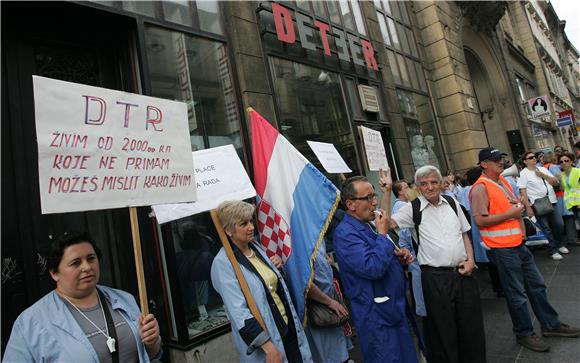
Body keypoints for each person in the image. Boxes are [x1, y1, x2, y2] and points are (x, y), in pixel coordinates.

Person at [470, 146, 580, 352]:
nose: (501, 162)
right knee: (516, 294)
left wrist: (520, 226)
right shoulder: (480, 188)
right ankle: (524, 333)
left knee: (536, 286)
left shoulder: (501, 181)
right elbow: (480, 221)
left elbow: (514, 209)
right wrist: (512, 215)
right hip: (503, 249)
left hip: (517, 245)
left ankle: (551, 325)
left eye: (501, 158)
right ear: (484, 164)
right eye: (496, 160)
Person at [4, 232, 162, 362]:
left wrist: (153, 342)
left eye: (91, 258)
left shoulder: (124, 300)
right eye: (75, 263)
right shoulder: (30, 323)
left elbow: (152, 356)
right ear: (54, 273)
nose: (86, 267)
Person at [388, 165, 486, 363]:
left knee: (471, 326)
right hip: (435, 278)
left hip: (463, 274)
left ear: (441, 184)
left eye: (434, 182)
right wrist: (385, 192)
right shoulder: (413, 208)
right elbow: (386, 224)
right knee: (443, 329)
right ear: (417, 188)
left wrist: (471, 260)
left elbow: (464, 233)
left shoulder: (451, 202)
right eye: (424, 184)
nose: (430, 187)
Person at [210, 200, 311, 363]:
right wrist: (268, 346)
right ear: (229, 230)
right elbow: (239, 312)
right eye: (243, 224)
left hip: (288, 329)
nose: (251, 227)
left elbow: (270, 287)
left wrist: (277, 269)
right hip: (267, 342)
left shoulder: (256, 247)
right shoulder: (223, 263)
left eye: (250, 221)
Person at [333, 175, 417, 363]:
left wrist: (398, 259)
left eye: (374, 196)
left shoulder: (366, 225)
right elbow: (372, 268)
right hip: (377, 316)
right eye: (368, 198)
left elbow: (380, 255)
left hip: (393, 309)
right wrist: (382, 235)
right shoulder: (346, 233)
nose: (375, 202)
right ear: (351, 204)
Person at [305, 242, 351, 363]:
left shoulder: (317, 236)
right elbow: (305, 283)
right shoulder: (301, 239)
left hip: (331, 305)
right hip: (318, 311)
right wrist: (329, 302)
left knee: (341, 355)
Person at [518, 150, 567, 260]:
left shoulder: (543, 169)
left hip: (552, 201)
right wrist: (528, 208)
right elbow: (523, 192)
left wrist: (543, 175)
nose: (534, 158)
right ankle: (553, 249)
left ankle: (559, 244)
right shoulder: (523, 173)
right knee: (546, 228)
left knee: (559, 224)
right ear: (525, 161)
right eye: (530, 158)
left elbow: (555, 182)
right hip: (538, 204)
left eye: (534, 157)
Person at [391, 179, 426, 317]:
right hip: (418, 264)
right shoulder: (402, 208)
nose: (407, 189)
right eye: (405, 187)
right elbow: (402, 235)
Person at [558, 152, 580, 239]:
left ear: (571, 162)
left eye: (566, 161)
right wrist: (560, 180)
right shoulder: (562, 175)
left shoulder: (577, 172)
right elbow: (563, 189)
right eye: (561, 161)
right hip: (572, 204)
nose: (564, 163)